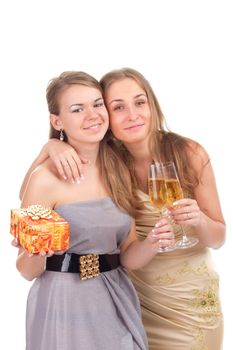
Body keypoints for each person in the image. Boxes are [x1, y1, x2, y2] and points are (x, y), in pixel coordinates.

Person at [20, 68, 226, 350]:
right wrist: (50, 146)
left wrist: (167, 235)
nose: (92, 115)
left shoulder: (117, 167)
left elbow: (129, 253)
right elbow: (26, 261)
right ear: (57, 120)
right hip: (74, 301)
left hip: (127, 294)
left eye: (97, 105)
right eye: (78, 109)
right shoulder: (64, 173)